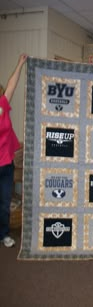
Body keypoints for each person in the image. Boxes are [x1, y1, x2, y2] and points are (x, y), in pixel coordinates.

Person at [0, 54, 27, 247]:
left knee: (4, 203)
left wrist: (20, 64)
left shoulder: (3, 105)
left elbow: (11, 85)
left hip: (6, 164)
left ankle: (3, 234)